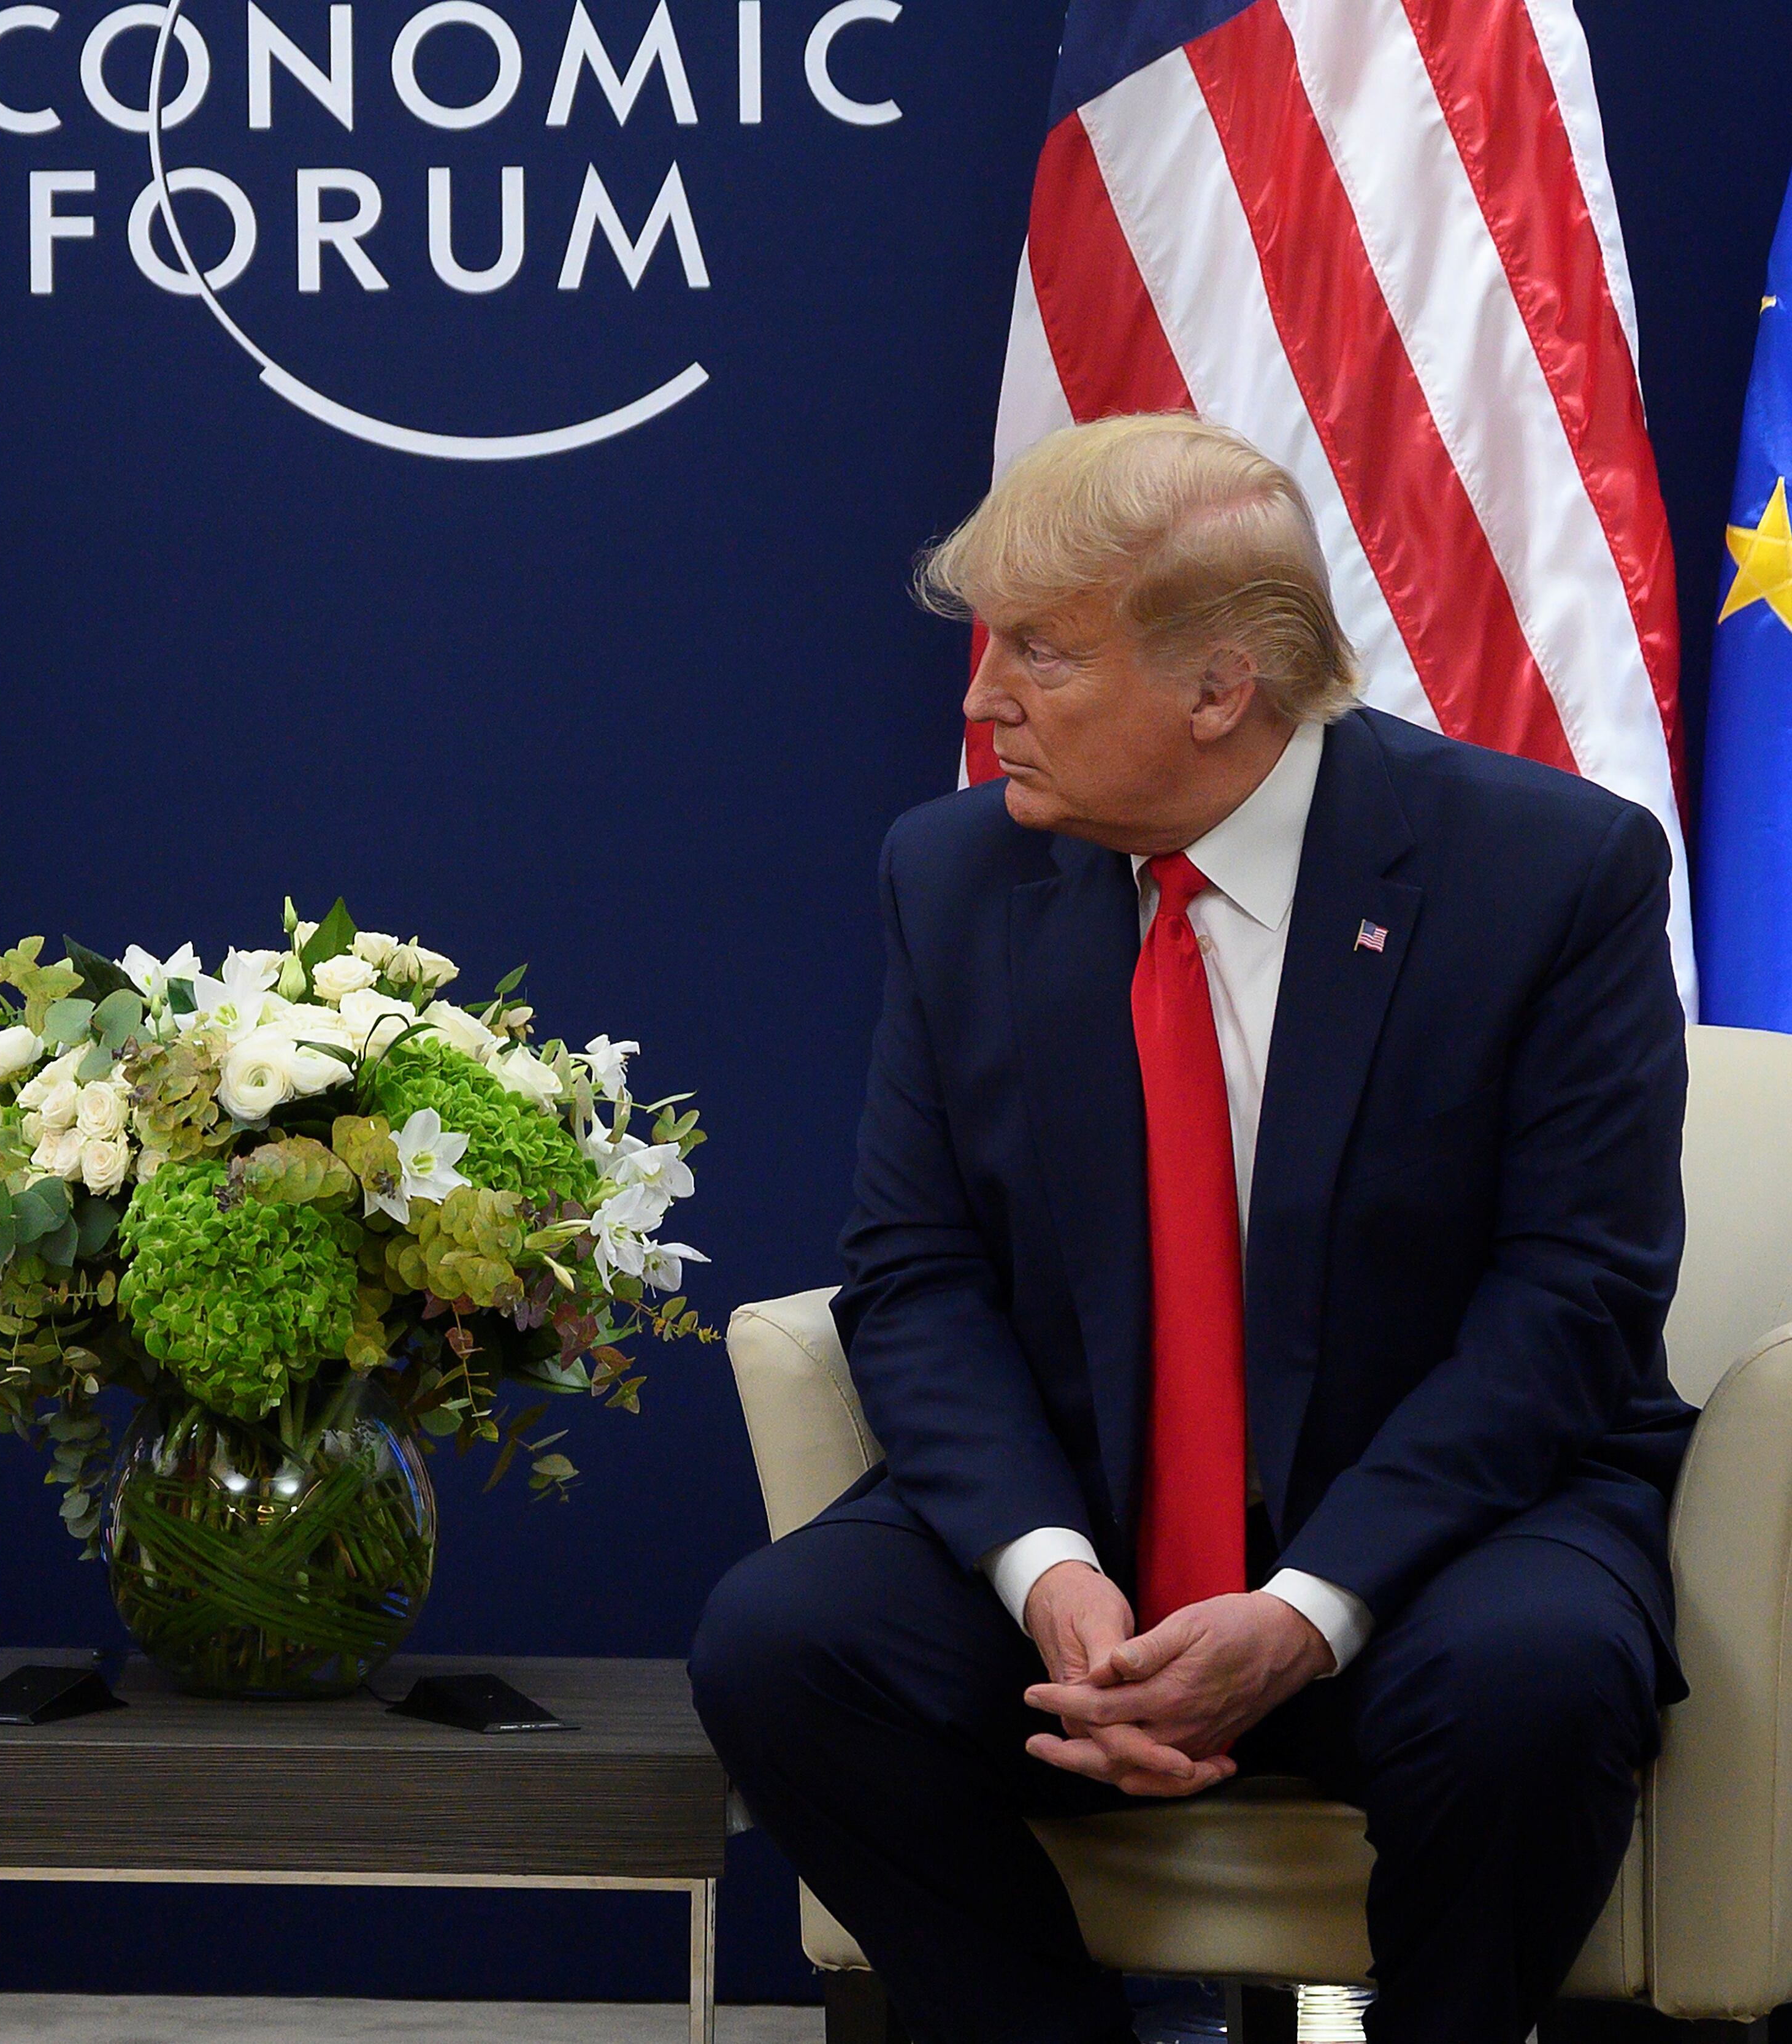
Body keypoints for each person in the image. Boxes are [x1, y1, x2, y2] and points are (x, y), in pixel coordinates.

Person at [689, 414, 1692, 2043]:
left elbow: (1573, 1305)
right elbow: (918, 1277)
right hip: (1093, 1512)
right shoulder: (950, 877)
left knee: (1536, 1682)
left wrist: (1308, 1611)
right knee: (787, 1649)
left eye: (1038, 653)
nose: (982, 700)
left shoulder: (1544, 873)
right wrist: (1049, 1571)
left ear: (1224, 689)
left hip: (1437, 1529)